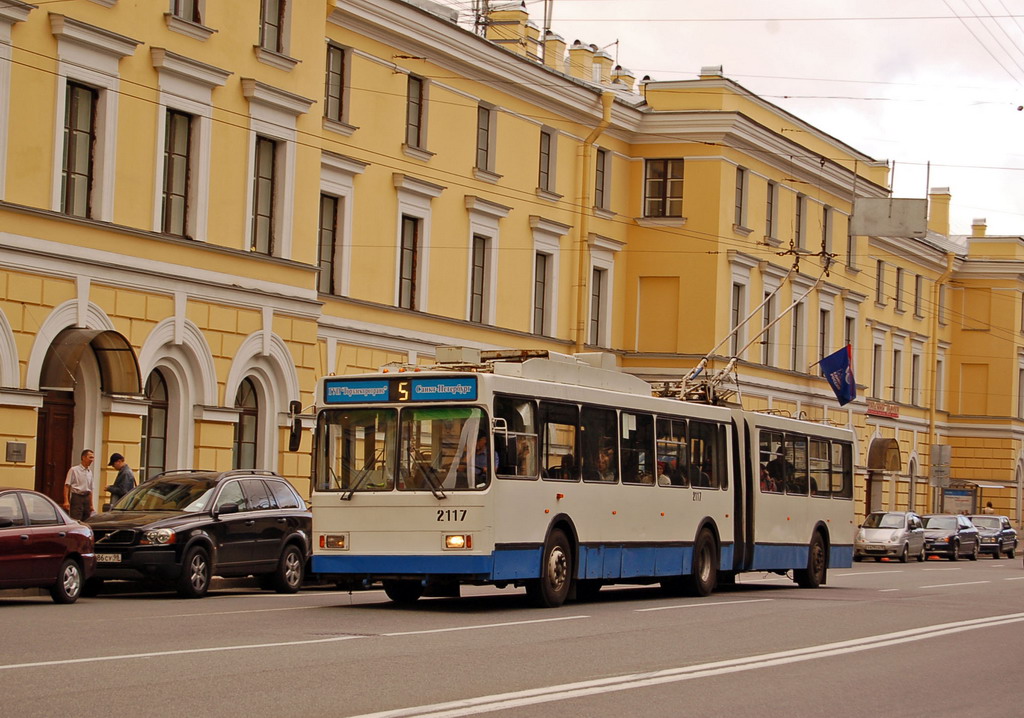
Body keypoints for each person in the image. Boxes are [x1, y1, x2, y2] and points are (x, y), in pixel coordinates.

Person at [63, 449, 95, 521]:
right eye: (90, 457)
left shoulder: (90, 472)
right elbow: (67, 486)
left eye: (93, 458)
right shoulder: (74, 470)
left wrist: (91, 505)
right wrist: (66, 501)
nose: (92, 460)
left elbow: (90, 489)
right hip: (77, 497)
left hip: (86, 498)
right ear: (83, 457)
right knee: (76, 518)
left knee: (87, 519)